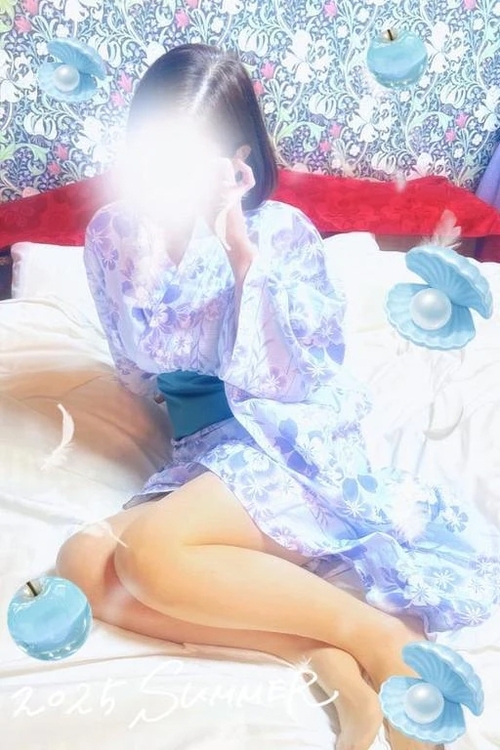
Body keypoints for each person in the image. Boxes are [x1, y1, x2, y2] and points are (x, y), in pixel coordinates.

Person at [57, 44, 499, 750]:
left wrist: (239, 253)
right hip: (204, 450)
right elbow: (135, 364)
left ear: (236, 157)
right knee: (83, 563)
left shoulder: (281, 232)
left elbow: (298, 376)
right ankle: (320, 653)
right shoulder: (113, 233)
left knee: (150, 555)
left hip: (287, 437)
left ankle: (382, 639)